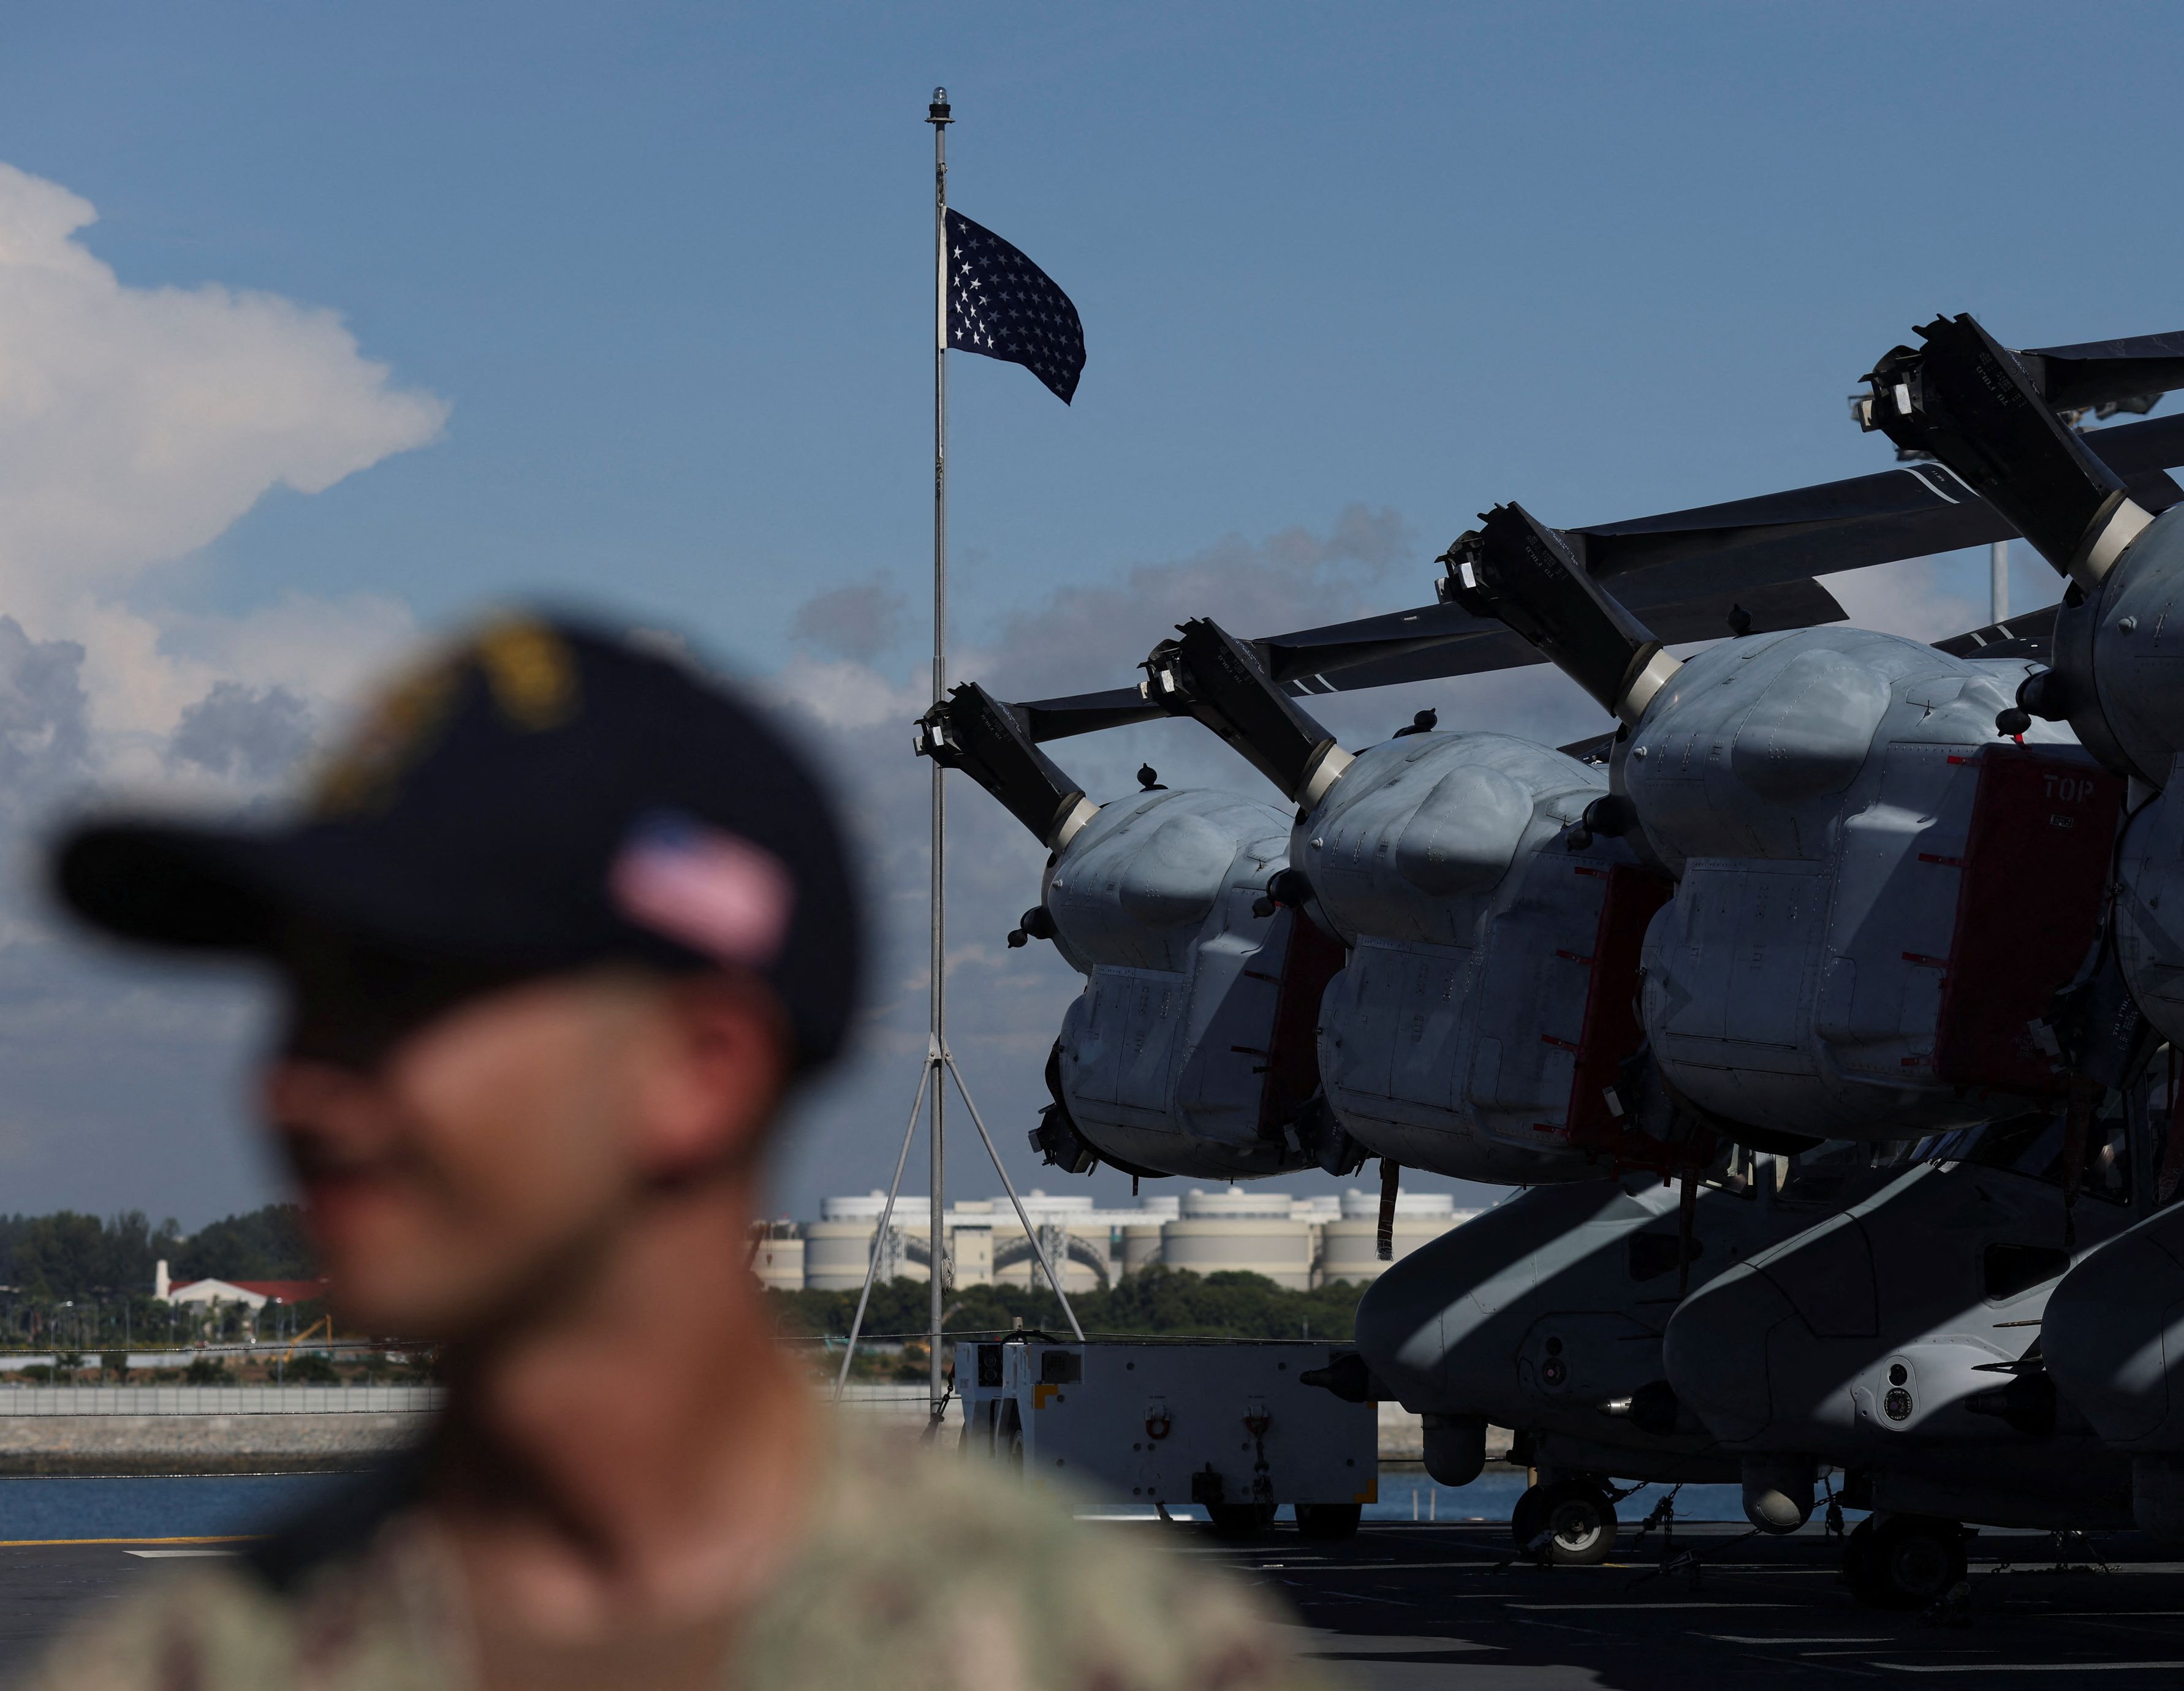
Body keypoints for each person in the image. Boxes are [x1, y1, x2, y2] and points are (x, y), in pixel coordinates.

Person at [24, 615, 1331, 1691]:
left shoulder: (1120, 1663)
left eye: (401, 997)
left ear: (699, 1070)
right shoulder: (176, 1668)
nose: (297, 1084)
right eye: (297, 996)